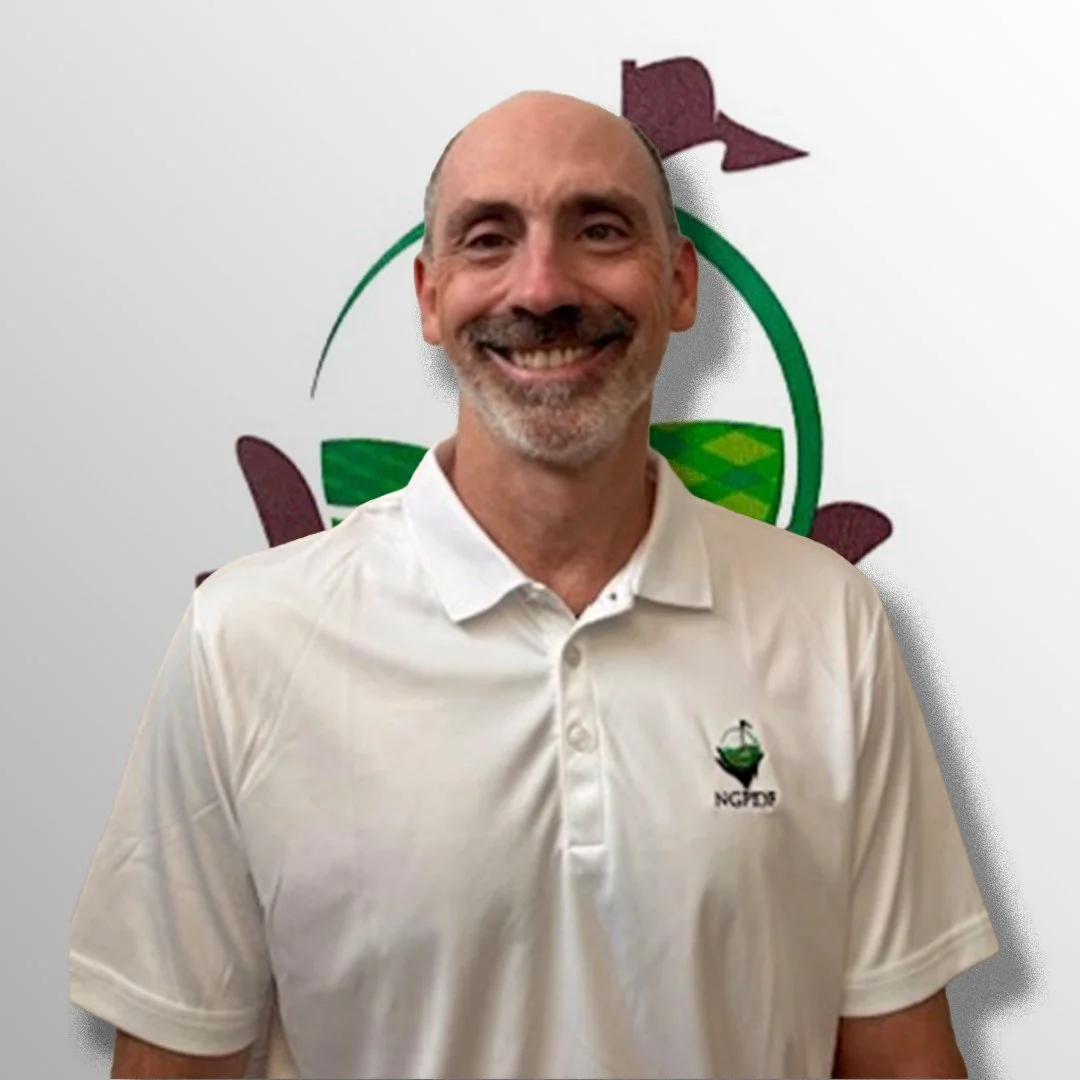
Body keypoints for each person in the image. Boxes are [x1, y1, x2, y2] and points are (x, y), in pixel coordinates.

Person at [69, 90, 999, 1079]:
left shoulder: (830, 622)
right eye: (488, 239)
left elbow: (902, 1060)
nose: (543, 286)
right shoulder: (243, 640)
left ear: (681, 286)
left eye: (599, 230)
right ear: (429, 299)